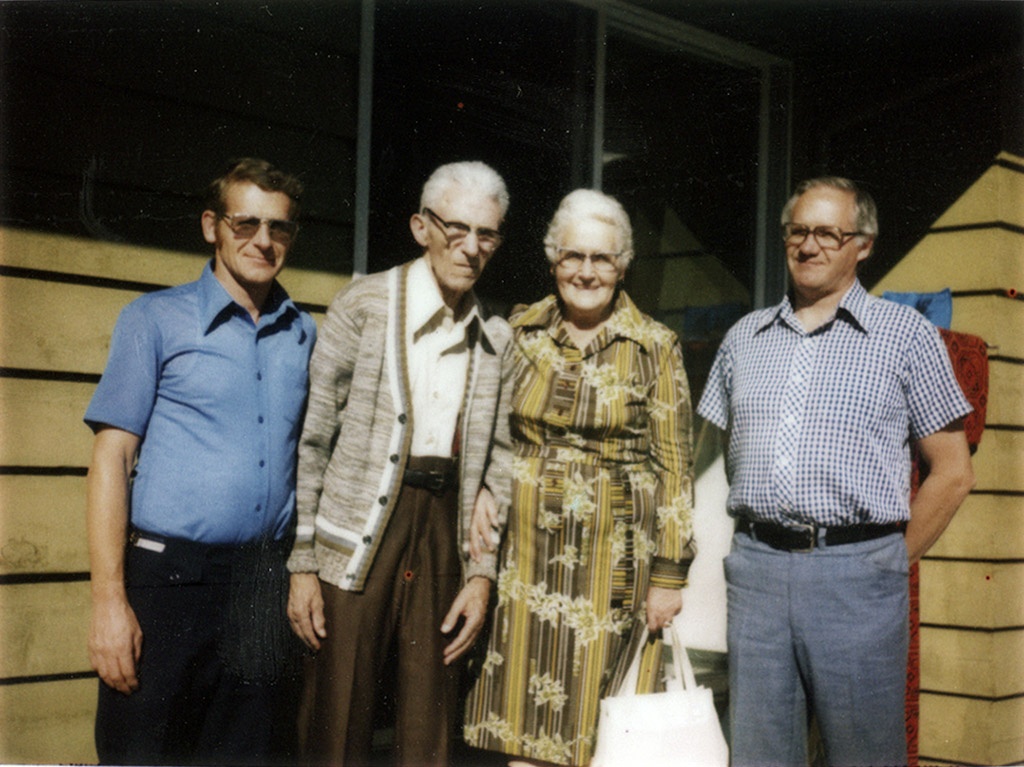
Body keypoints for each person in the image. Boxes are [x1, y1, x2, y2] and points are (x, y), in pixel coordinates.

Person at [697, 176, 975, 767]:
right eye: (798, 231)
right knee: (759, 755)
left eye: (828, 233)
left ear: (863, 245)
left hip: (857, 578)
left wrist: (888, 562)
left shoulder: (906, 336)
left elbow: (953, 472)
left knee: (863, 756)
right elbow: (727, 454)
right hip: (758, 575)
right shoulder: (744, 339)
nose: (809, 245)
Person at [84, 157, 315, 765]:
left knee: (248, 753)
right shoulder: (154, 319)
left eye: (279, 227)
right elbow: (111, 460)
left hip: (262, 582)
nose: (263, 241)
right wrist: (109, 601)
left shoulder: (303, 334)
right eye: (246, 224)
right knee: (144, 752)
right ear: (212, 226)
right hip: (168, 581)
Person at [285, 160, 515, 767]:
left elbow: (501, 458)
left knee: (428, 717)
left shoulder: (495, 335)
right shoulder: (364, 304)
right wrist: (303, 561)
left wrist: (481, 573)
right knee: (337, 711)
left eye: (486, 234)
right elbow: (314, 439)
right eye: (456, 229)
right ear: (421, 227)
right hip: (357, 531)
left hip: (443, 531)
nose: (470, 248)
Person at [463, 188, 697, 767]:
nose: (586, 272)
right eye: (573, 256)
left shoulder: (655, 347)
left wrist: (669, 576)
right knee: (523, 722)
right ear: (553, 260)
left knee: (602, 727)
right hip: (523, 558)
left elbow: (675, 467)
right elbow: (484, 428)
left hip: (612, 564)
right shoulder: (520, 332)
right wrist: (483, 488)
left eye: (601, 258)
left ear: (622, 267)